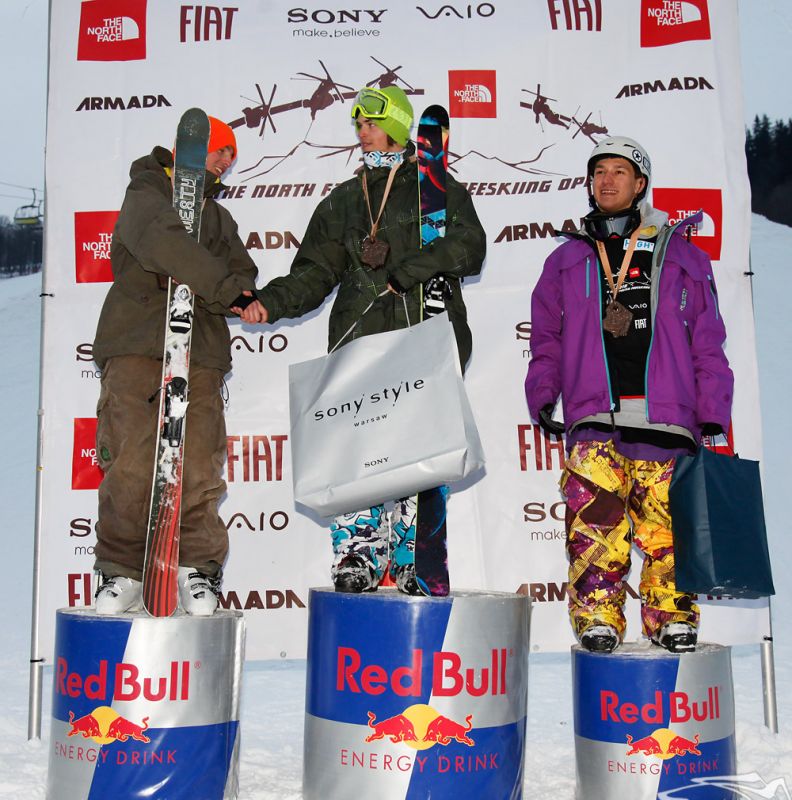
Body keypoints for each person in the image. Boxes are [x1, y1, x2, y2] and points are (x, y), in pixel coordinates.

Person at [238, 86, 486, 595]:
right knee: (359, 456)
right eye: (357, 123)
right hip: (360, 341)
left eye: (371, 121)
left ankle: (417, 558)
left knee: (420, 456)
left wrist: (410, 270)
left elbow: (469, 247)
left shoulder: (436, 187)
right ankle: (358, 555)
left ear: (397, 125)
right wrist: (271, 301)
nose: (362, 130)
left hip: (422, 341)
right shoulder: (345, 201)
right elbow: (313, 273)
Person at [524, 136, 733, 653]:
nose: (608, 180)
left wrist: (712, 412)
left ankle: (671, 617)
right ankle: (598, 617)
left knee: (667, 529)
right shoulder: (567, 259)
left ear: (641, 184)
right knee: (594, 525)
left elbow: (707, 339)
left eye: (620, 171)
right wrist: (543, 394)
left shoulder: (683, 255)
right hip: (595, 415)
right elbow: (546, 337)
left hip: (667, 416)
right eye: (600, 172)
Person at [92, 115, 259, 615]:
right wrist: (223, 288)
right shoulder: (145, 191)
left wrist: (227, 291)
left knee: (201, 463)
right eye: (220, 148)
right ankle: (120, 569)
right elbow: (163, 243)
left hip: (200, 352)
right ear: (188, 147)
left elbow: (242, 273)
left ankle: (196, 567)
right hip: (138, 344)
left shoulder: (219, 218)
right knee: (133, 461)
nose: (226, 160)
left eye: (233, 154)